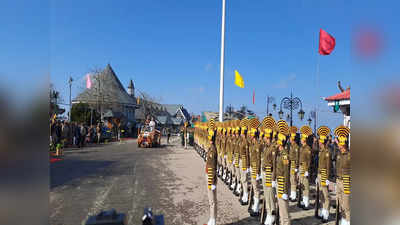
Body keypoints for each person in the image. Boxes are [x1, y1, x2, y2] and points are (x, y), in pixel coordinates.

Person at [260, 116, 277, 225]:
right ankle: (268, 211)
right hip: (264, 172)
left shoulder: (273, 148)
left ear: (269, 137)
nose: (264, 139)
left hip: (270, 173)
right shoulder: (266, 147)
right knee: (266, 193)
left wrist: (274, 178)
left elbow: (274, 164)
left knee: (270, 195)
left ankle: (272, 213)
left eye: (265, 137)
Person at [275, 120, 291, 225]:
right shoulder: (280, 153)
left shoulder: (285, 155)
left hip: (282, 183)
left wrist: (285, 190)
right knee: (280, 208)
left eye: (277, 141)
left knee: (284, 210)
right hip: (278, 181)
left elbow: (286, 173)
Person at [334, 125, 351, 225]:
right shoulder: (339, 154)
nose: (339, 145)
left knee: (347, 205)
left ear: (344, 143)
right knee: (339, 203)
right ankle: (343, 221)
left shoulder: (350, 155)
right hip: (338, 180)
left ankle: (347, 222)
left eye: (340, 143)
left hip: (346, 181)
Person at [315, 126, 332, 223]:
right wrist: (317, 175)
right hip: (320, 174)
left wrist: (327, 178)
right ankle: (322, 211)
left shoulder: (327, 152)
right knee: (321, 194)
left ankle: (326, 213)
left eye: (320, 141)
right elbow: (319, 165)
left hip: (324, 175)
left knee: (325, 195)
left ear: (323, 142)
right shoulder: (321, 151)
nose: (319, 142)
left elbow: (328, 166)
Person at [248, 118, 262, 217]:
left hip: (255, 168)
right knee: (254, 186)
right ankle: (254, 204)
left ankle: (256, 206)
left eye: (252, 134)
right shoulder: (253, 144)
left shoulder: (257, 145)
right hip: (252, 167)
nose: (250, 135)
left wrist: (257, 172)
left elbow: (258, 159)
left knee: (256, 188)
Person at [205, 119, 217, 225]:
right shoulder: (211, 148)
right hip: (208, 174)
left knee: (212, 200)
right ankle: (212, 218)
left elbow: (213, 166)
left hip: (210, 175)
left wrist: (212, 181)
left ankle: (213, 219)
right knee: (211, 199)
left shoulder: (212, 149)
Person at [299, 125, 313, 210]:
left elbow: (309, 160)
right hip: (301, 167)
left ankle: (307, 203)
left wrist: (307, 170)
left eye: (301, 138)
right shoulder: (302, 148)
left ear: (304, 139)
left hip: (305, 167)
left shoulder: (308, 148)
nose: (300, 139)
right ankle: (304, 201)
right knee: (302, 185)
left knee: (306, 185)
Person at [238, 119, 250, 205]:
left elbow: (247, 154)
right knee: (242, 178)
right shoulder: (241, 141)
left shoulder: (246, 142)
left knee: (244, 179)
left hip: (244, 161)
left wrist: (248, 165)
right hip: (240, 160)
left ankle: (246, 195)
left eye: (242, 133)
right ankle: (244, 193)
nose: (241, 134)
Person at [288, 126, 299, 202]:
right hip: (290, 164)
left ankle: (294, 195)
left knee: (293, 180)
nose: (289, 139)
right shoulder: (291, 146)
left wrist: (296, 167)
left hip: (293, 164)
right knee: (291, 180)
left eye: (290, 138)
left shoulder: (296, 147)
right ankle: (292, 194)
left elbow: (297, 157)